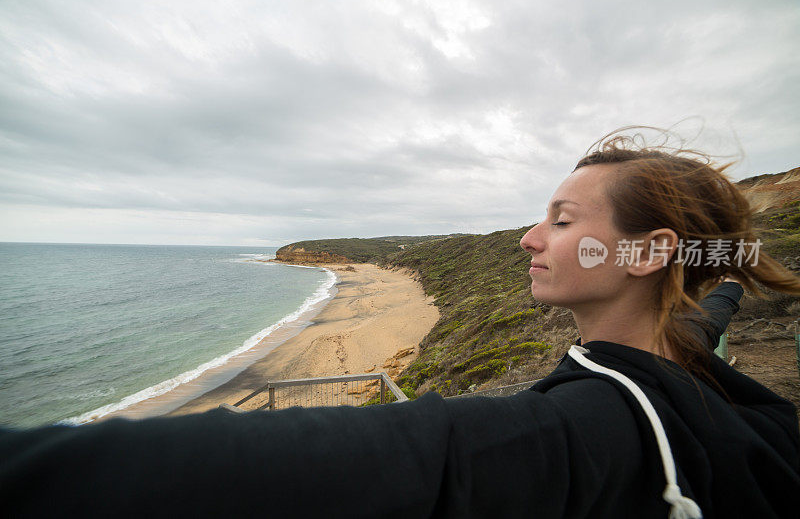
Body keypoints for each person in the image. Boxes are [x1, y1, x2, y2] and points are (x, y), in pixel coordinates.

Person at [1, 129, 799, 518]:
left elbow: (360, 457)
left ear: (649, 252)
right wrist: (722, 276)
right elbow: (706, 311)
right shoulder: (697, 368)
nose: (529, 237)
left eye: (560, 219)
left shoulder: (576, 432)